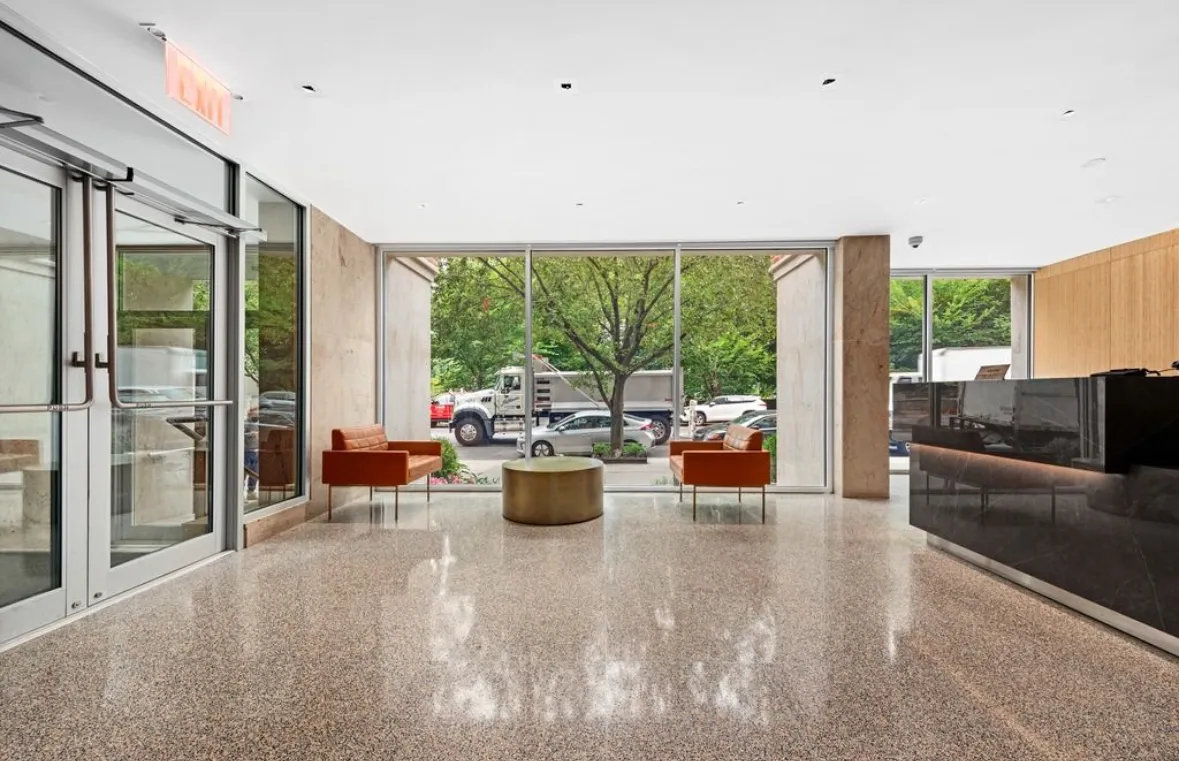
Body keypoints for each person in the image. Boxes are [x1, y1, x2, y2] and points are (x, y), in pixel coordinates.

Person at [244, 406, 260, 499]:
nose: (256, 416)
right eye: (255, 414)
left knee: (255, 473)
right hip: (247, 451)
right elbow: (240, 434)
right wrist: (252, 434)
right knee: (245, 472)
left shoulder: (259, 424)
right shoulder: (246, 423)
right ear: (250, 414)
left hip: (257, 452)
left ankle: (251, 492)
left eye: (258, 414)